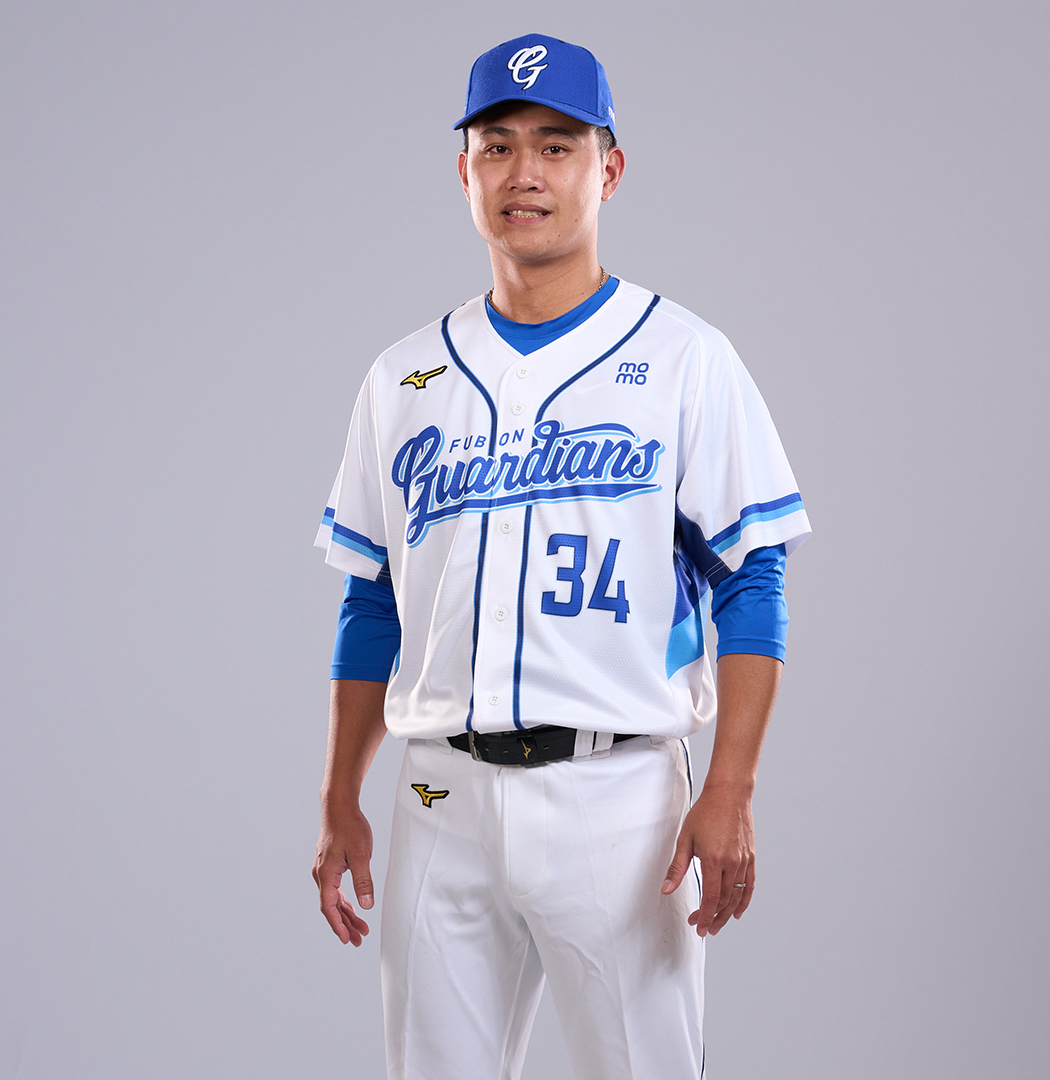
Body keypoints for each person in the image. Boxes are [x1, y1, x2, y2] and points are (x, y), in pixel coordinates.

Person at [312, 33, 810, 1080]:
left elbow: (753, 581)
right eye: (496, 146)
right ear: (463, 171)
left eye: (555, 145)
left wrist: (731, 787)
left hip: (619, 794)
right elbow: (372, 601)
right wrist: (338, 797)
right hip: (438, 796)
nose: (524, 172)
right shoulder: (402, 378)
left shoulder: (685, 357)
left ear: (608, 168)